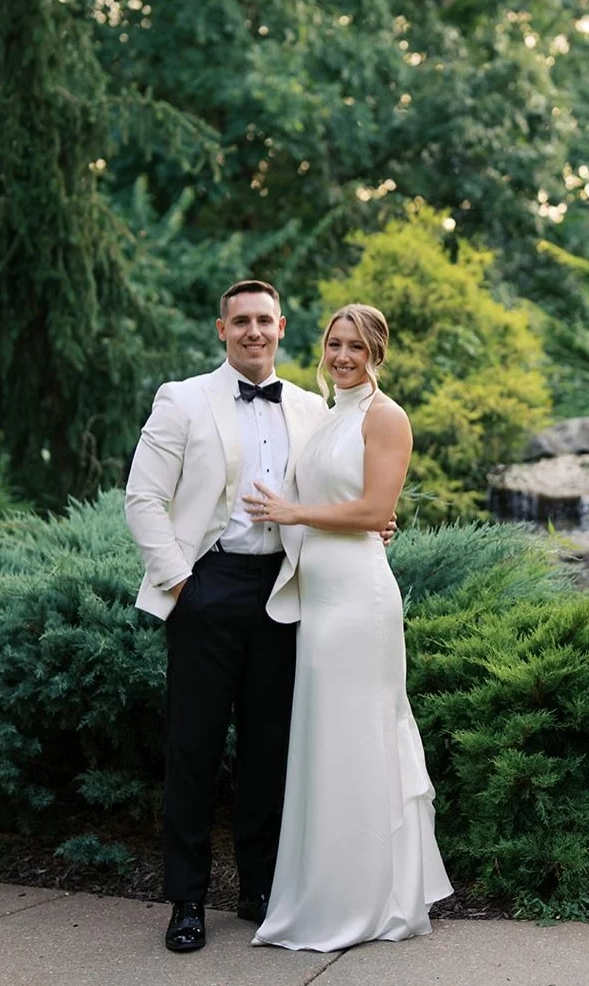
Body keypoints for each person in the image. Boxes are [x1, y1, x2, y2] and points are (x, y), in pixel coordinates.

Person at [124, 279, 331, 954]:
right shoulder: (182, 399)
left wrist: (373, 523)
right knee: (194, 748)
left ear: (281, 328)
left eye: (263, 320)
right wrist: (182, 583)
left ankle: (258, 889)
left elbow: (332, 494)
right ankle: (186, 900)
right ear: (221, 329)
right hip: (208, 585)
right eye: (239, 320)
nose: (252, 331)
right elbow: (143, 499)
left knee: (268, 750)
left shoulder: (309, 405)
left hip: (283, 588)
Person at [244, 303, 452, 952]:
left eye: (355, 347)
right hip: (320, 597)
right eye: (334, 344)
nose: (342, 356)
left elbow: (372, 510)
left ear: (377, 355)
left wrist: (290, 512)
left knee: (358, 737)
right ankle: (323, 891)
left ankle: (370, 900)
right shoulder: (326, 414)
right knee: (325, 741)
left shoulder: (385, 417)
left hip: (359, 601)